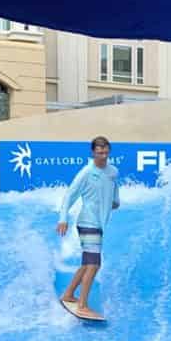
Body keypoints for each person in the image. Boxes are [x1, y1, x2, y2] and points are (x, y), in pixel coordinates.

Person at [57, 136, 121, 320]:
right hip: (87, 222)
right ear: (93, 152)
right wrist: (63, 219)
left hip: (99, 223)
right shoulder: (86, 172)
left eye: (106, 151)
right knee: (94, 264)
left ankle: (68, 294)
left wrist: (115, 201)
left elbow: (114, 191)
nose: (103, 155)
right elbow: (70, 195)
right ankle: (83, 305)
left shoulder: (112, 171)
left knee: (87, 264)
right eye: (99, 152)